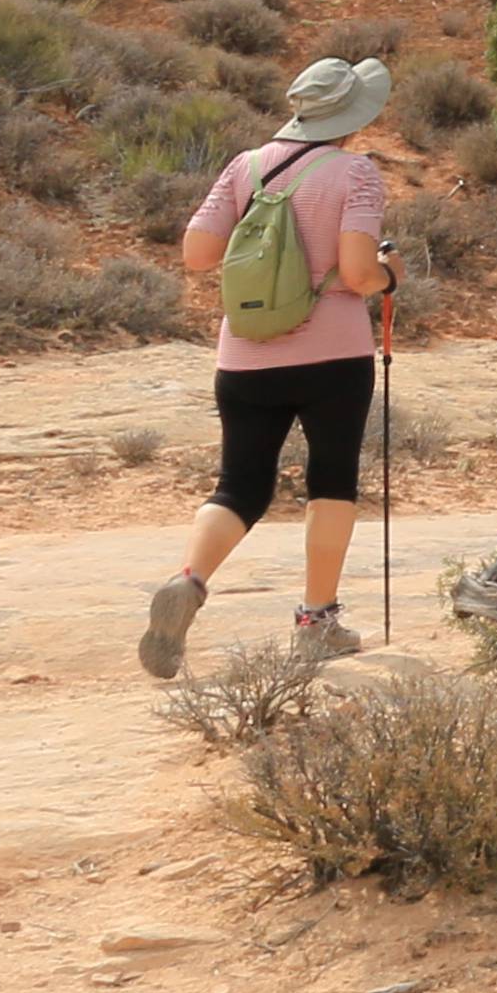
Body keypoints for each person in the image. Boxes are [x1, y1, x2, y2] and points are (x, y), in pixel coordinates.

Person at [140, 55, 397, 679]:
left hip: (246, 354)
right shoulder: (355, 174)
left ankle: (190, 579)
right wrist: (391, 274)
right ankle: (316, 622)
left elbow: (197, 255)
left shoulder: (248, 166)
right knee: (330, 480)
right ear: (355, 116)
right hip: (332, 355)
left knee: (240, 484)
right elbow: (360, 275)